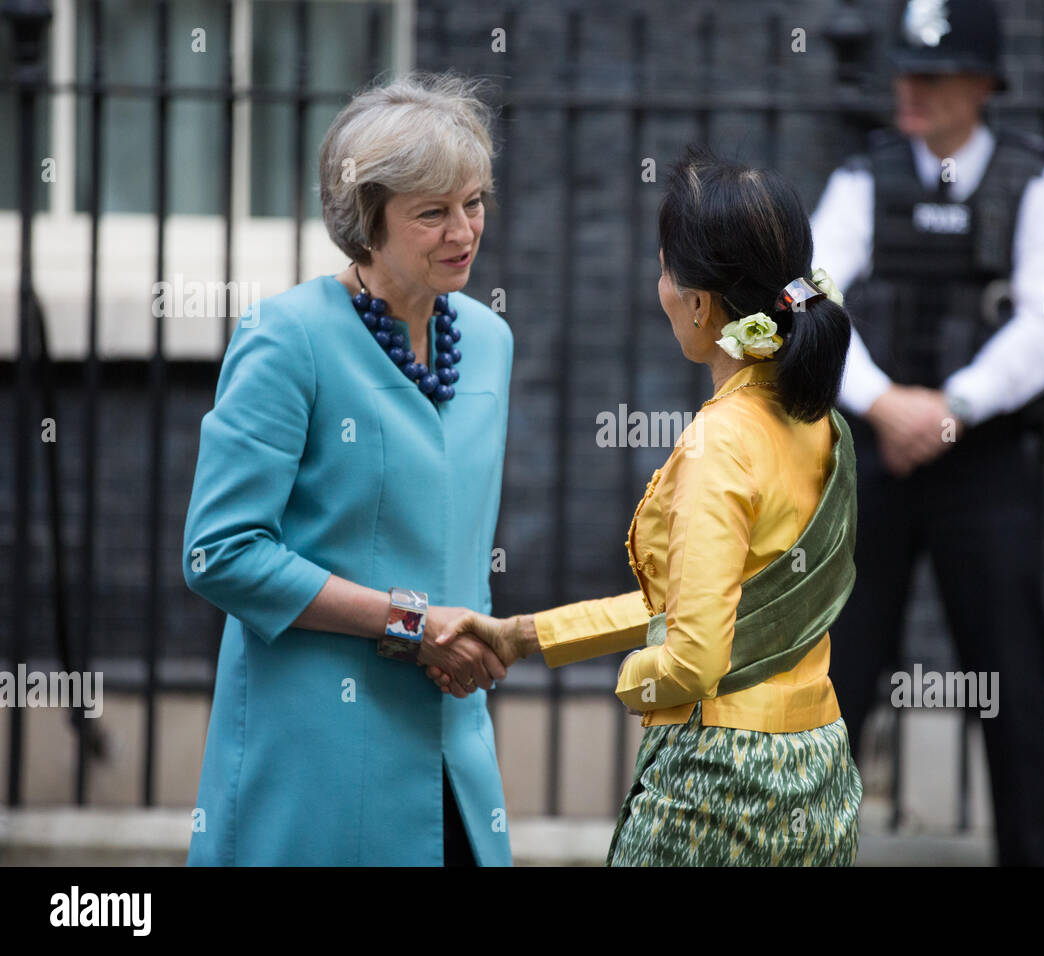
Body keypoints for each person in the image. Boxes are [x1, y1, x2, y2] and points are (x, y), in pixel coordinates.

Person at [429, 147, 863, 866]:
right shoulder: (817, 421)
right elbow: (708, 602)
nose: (658, 286)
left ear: (697, 301)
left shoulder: (719, 444)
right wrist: (524, 636)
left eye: (665, 268)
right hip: (817, 772)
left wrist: (635, 681)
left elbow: (690, 658)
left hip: (719, 789)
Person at [182, 72, 514, 866]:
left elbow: (462, 542)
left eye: (472, 202)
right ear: (364, 222)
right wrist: (412, 623)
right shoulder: (286, 338)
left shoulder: (489, 339)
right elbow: (220, 553)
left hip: (451, 745)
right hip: (318, 752)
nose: (463, 231)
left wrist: (473, 640)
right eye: (432, 212)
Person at [810, 0, 1044, 866]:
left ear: (980, 84)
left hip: (987, 467)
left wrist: (953, 407)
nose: (910, 89)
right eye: (905, 70)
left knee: (1010, 680)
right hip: (871, 460)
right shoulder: (862, 178)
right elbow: (809, 301)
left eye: (931, 73)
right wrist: (888, 403)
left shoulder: (1035, 184)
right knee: (837, 677)